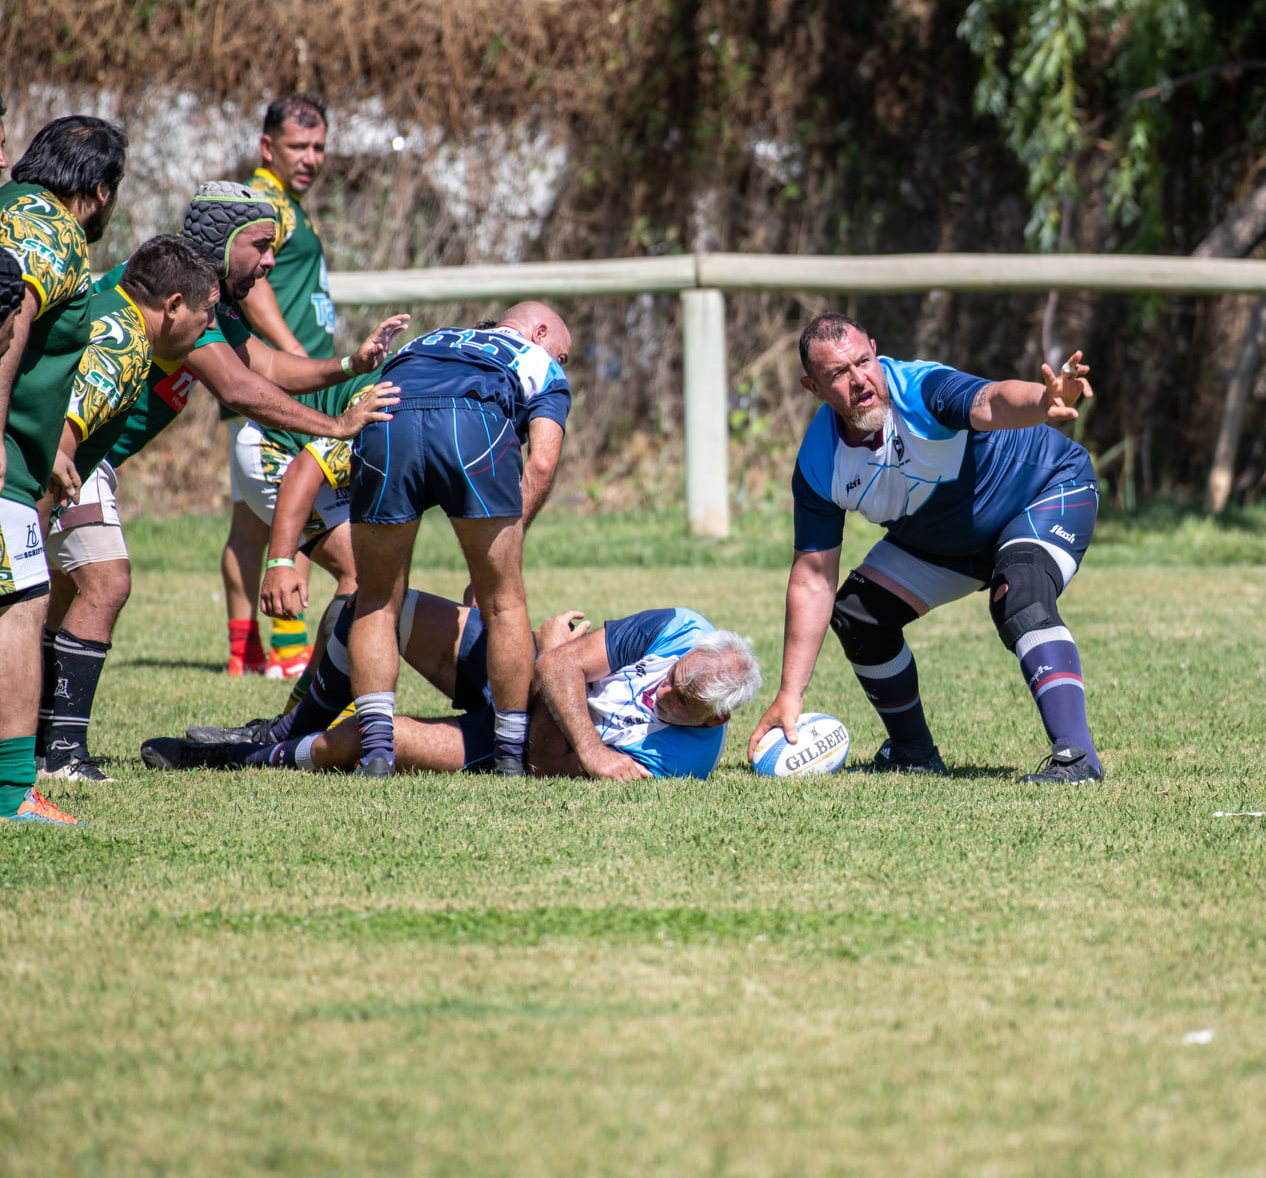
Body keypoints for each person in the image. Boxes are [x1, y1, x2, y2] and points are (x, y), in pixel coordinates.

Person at [34, 185, 407, 783]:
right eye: (260, 245)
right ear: (221, 242)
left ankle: (42, 744)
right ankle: (59, 755)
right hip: (63, 446)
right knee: (96, 583)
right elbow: (241, 391)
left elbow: (264, 365)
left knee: (56, 591)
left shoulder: (206, 302)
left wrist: (347, 366)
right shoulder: (183, 299)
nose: (269, 262)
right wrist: (337, 425)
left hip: (78, 452)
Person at [748, 313, 1104, 785]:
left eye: (864, 361)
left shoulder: (920, 389)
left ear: (876, 350)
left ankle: (1076, 759)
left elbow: (991, 400)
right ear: (812, 387)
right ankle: (913, 753)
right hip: (943, 537)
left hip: (1044, 490)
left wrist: (1044, 400)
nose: (859, 381)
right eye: (838, 374)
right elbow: (814, 579)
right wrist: (790, 695)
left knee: (1021, 593)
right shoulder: (819, 462)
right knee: (859, 615)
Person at [144, 592, 760, 780]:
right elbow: (553, 667)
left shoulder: (686, 761)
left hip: (518, 740)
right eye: (671, 682)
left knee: (369, 736)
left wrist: (551, 664)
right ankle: (284, 726)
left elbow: (545, 758)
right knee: (374, 610)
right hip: (525, 674)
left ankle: (255, 756)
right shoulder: (682, 631)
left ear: (714, 722)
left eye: (679, 703)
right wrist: (593, 747)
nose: (662, 696)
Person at [344, 307, 572, 778]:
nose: (561, 362)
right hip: (472, 421)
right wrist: (499, 550)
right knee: (504, 602)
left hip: (388, 416)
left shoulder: (431, 340)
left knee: (376, 598)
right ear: (540, 332)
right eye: (562, 354)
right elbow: (543, 465)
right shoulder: (538, 361)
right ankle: (509, 754)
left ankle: (376, 751)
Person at [0, 115, 128, 826]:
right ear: (100, 191)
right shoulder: (52, 231)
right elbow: (5, 316)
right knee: (20, 605)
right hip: (5, 469)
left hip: (25, 456)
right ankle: (12, 792)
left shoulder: (9, 208)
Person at [221, 94, 355, 677]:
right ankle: (290, 649)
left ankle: (243, 649)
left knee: (250, 519)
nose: (311, 157)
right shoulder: (268, 203)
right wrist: (292, 353)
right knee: (296, 511)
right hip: (286, 380)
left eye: (319, 146)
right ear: (266, 146)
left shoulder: (290, 203)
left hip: (275, 376)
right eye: (298, 146)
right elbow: (253, 285)